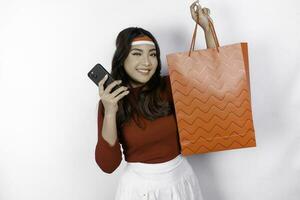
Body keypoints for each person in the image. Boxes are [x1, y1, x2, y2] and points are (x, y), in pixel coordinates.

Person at [95, 2, 216, 199]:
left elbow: (211, 74)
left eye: (152, 55)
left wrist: (207, 27)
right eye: (137, 54)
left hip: (181, 180)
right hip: (139, 189)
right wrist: (110, 111)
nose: (147, 62)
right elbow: (108, 165)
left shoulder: (170, 85)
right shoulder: (110, 101)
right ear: (121, 59)